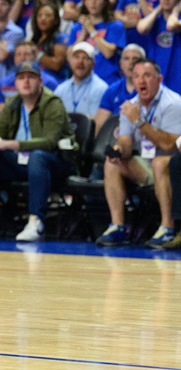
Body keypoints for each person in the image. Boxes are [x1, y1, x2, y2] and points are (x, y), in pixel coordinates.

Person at [0, 61, 77, 241]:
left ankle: (36, 221)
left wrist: (11, 144)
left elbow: (50, 142)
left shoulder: (53, 103)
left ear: (40, 81)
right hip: (20, 162)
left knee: (37, 156)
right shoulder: (13, 103)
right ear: (15, 83)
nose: (26, 82)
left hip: (55, 162)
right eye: (21, 78)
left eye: (31, 77)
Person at [99, 59, 181, 247]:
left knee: (160, 162)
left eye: (147, 75)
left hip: (172, 167)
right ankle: (118, 226)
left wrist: (140, 122)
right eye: (136, 76)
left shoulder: (174, 103)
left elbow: (169, 144)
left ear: (159, 79)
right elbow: (126, 140)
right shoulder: (132, 105)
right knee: (112, 163)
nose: (141, 81)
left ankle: (168, 227)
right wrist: (120, 150)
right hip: (145, 165)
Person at [53, 42, 108, 118]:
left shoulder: (101, 89)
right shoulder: (61, 89)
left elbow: (96, 121)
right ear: (70, 62)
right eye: (76, 57)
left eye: (85, 58)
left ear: (93, 64)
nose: (80, 62)